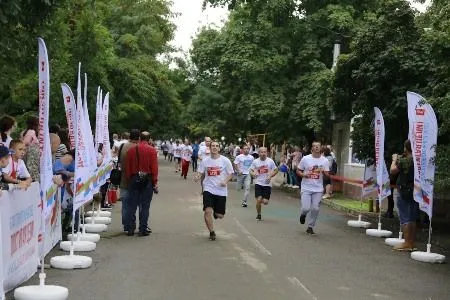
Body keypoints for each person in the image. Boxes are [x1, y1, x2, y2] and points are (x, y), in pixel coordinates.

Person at [195, 140, 233, 241]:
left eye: (217, 146)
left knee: (219, 215)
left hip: (221, 190)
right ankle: (212, 232)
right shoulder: (205, 161)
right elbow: (200, 172)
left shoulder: (225, 160)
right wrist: (197, 176)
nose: (214, 147)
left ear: (219, 148)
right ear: (210, 148)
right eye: (213, 146)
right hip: (208, 188)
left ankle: (216, 213)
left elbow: (230, 174)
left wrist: (225, 181)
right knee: (207, 211)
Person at [125, 131, 158, 237]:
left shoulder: (131, 150)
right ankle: (143, 229)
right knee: (145, 206)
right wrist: (154, 181)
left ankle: (130, 228)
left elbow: (128, 167)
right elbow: (154, 168)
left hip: (134, 178)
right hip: (147, 179)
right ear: (149, 139)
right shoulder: (152, 150)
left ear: (139, 138)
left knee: (132, 205)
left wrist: (130, 178)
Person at [390, 140, 418, 251]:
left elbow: (393, 171)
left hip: (404, 190)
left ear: (406, 148)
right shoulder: (417, 159)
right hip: (414, 190)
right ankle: (411, 242)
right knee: (412, 217)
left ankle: (406, 243)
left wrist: (394, 160)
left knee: (405, 217)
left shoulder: (405, 160)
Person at [297, 141, 330, 234]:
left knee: (315, 208)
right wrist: (304, 175)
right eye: (314, 146)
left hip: (318, 188)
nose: (316, 148)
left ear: (320, 148)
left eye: (318, 146)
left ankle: (310, 227)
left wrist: (323, 172)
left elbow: (327, 176)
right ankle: (303, 215)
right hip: (306, 187)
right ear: (312, 148)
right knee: (306, 208)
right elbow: (298, 170)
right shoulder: (306, 159)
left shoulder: (325, 160)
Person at [118, 129, 140, 233]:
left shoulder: (122, 146)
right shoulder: (137, 148)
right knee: (133, 203)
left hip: (123, 178)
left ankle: (126, 225)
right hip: (134, 178)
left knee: (125, 203)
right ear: (138, 137)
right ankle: (131, 224)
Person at [249, 147, 278, 220]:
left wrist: (270, 176)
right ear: (259, 153)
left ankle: (260, 202)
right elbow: (250, 170)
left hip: (267, 184)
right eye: (261, 152)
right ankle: (259, 214)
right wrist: (253, 174)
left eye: (265, 152)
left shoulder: (270, 161)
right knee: (259, 199)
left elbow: (276, 170)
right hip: (258, 183)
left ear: (267, 153)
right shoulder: (255, 161)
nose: (263, 154)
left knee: (265, 202)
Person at [22, 116, 40, 182]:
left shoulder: (26, 131)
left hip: (28, 156)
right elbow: (25, 142)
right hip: (31, 157)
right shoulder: (32, 132)